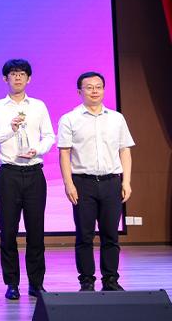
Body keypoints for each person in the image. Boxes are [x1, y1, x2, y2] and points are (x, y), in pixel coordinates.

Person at [58, 72, 134, 292]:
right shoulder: (69, 119)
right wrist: (68, 183)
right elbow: (64, 153)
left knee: (110, 234)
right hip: (83, 183)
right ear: (79, 91)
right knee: (85, 235)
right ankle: (87, 280)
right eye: (89, 87)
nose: (94, 91)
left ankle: (110, 279)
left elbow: (125, 151)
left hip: (111, 182)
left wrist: (126, 182)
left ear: (103, 90)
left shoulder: (116, 118)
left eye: (98, 87)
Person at [0, 59, 55, 299]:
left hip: (34, 172)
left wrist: (38, 150)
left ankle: (36, 283)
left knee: (36, 231)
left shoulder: (38, 106)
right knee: (8, 231)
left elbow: (49, 136)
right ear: (5, 78)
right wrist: (11, 129)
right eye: (13, 74)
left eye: (22, 74)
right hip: (9, 173)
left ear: (29, 79)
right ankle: (12, 283)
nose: (17, 77)